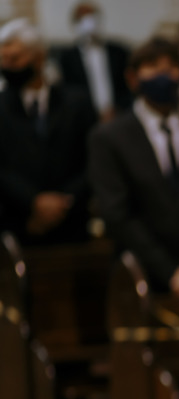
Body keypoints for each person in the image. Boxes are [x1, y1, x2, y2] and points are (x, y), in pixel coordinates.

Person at [88, 36, 179, 297]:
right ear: (133, 78)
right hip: (143, 276)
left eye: (172, 67)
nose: (164, 75)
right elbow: (118, 216)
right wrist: (172, 274)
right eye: (153, 67)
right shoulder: (109, 138)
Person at [0, 18, 96, 246]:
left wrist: (62, 202)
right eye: (3, 60)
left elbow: (93, 157)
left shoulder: (76, 101)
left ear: (39, 57)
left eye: (15, 58)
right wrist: (33, 201)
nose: (8, 66)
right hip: (18, 221)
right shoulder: (1, 105)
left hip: (72, 219)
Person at [57, 2, 132, 122]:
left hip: (119, 116)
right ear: (74, 23)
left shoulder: (119, 52)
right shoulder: (67, 58)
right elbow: (69, 91)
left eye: (92, 17)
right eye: (82, 18)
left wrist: (117, 109)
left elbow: (128, 85)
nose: (88, 23)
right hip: (84, 120)